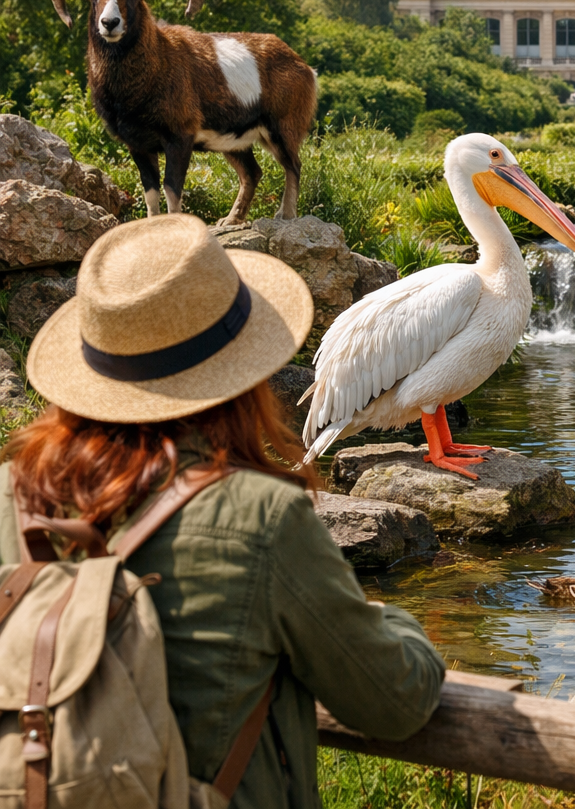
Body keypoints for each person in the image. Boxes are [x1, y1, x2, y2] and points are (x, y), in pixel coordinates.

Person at [0, 215, 446, 809]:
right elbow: (394, 699)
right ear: (243, 370)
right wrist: (405, 623)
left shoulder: (12, 492)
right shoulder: (263, 517)